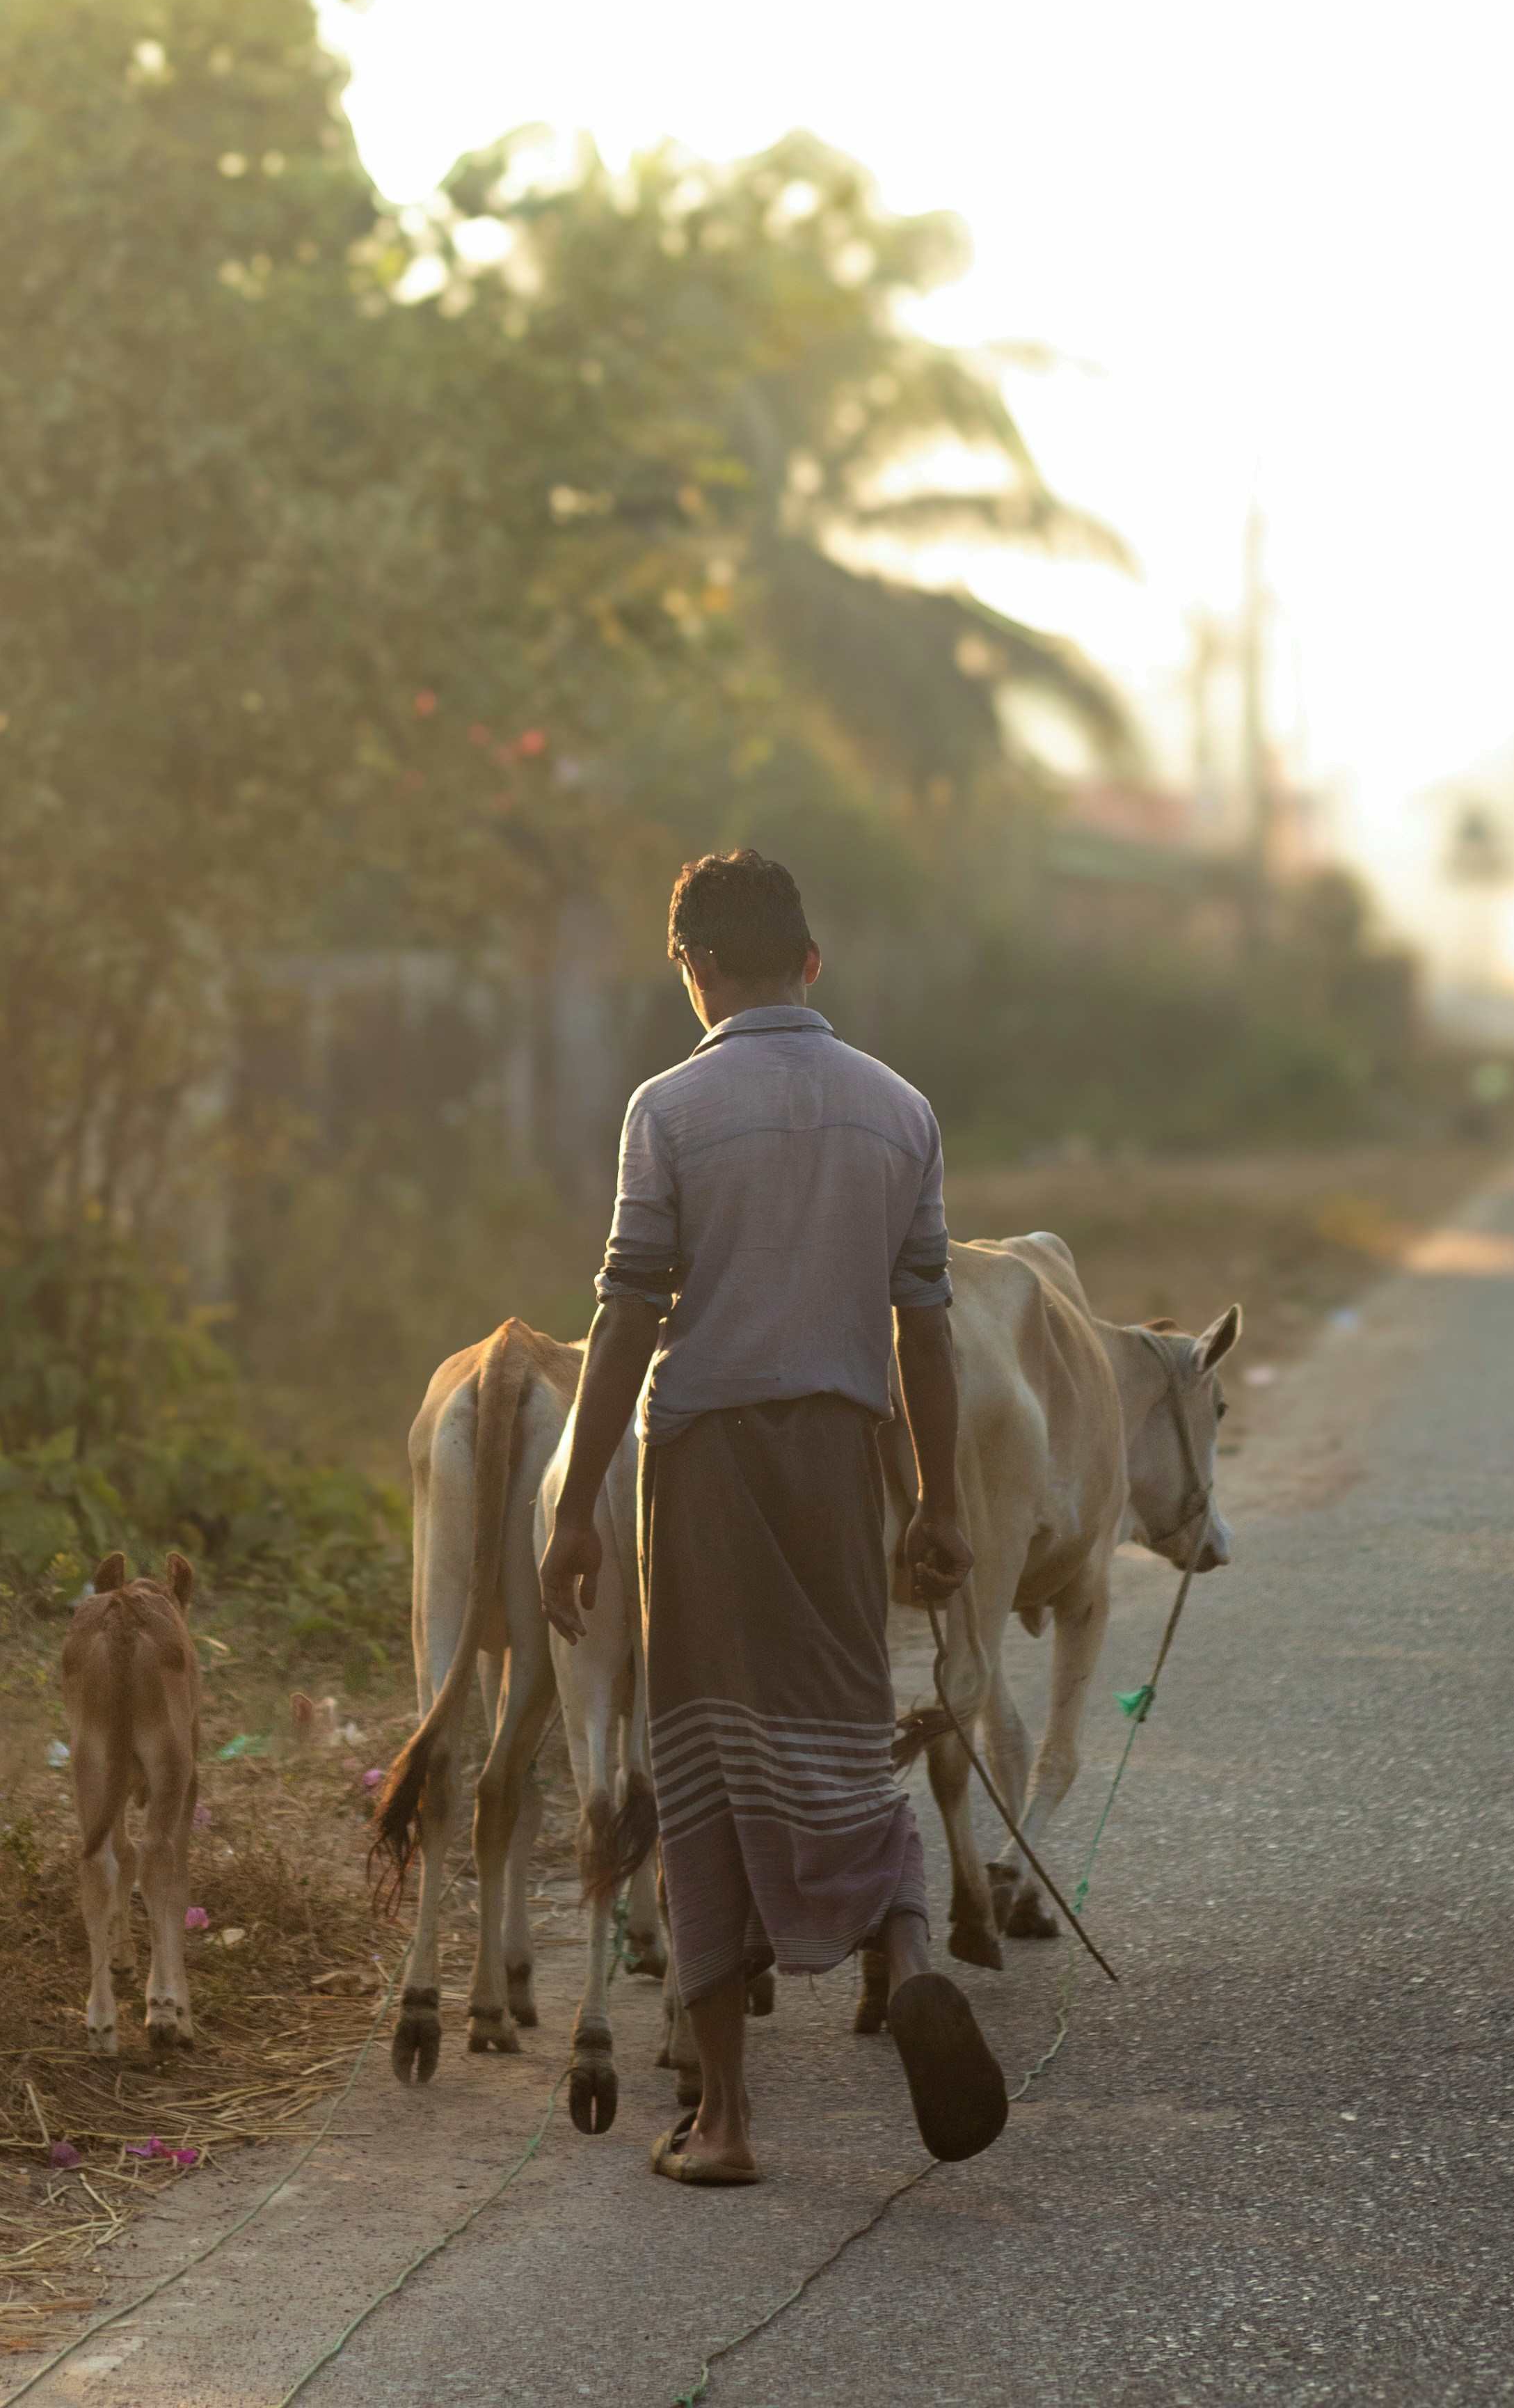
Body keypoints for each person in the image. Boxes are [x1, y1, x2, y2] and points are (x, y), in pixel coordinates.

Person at [539, 845, 1009, 2185]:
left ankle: (728, 2122)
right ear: (811, 961)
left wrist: (575, 1511)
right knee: (844, 1736)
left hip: (702, 1472)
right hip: (842, 1466)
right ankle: (905, 1954)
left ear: (692, 968)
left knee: (701, 1763)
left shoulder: (669, 1110)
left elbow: (629, 1313)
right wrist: (935, 1501)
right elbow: (927, 1322)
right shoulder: (901, 1111)